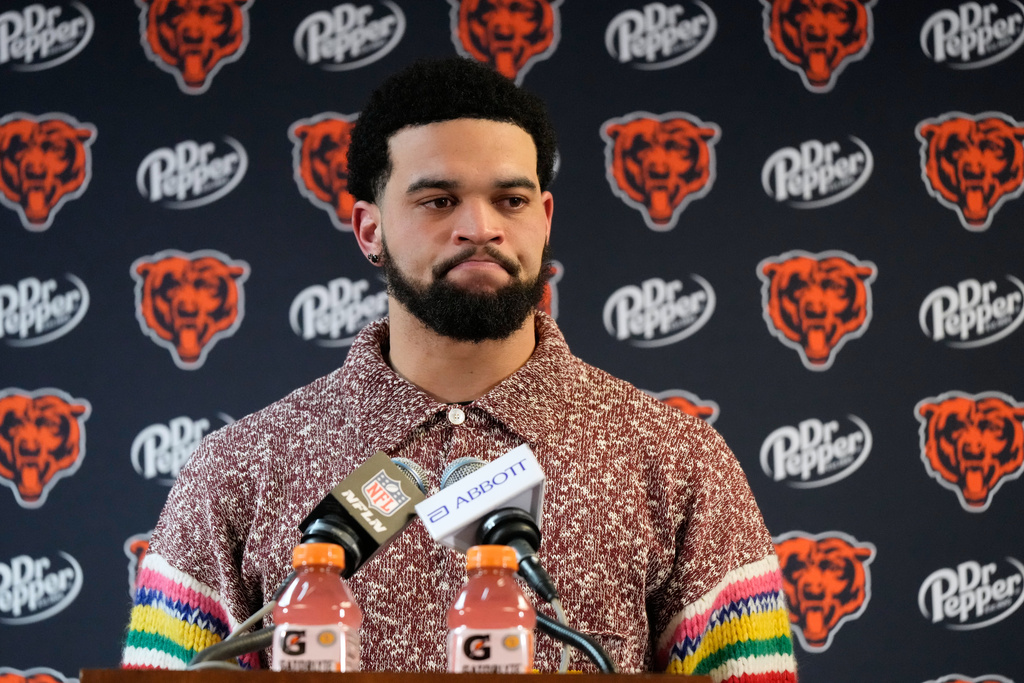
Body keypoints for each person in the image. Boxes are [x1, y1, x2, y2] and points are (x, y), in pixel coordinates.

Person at [122, 57, 798, 681]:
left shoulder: (677, 460)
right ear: (369, 230)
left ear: (545, 219)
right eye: (439, 200)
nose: (480, 226)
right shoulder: (238, 467)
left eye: (511, 200)